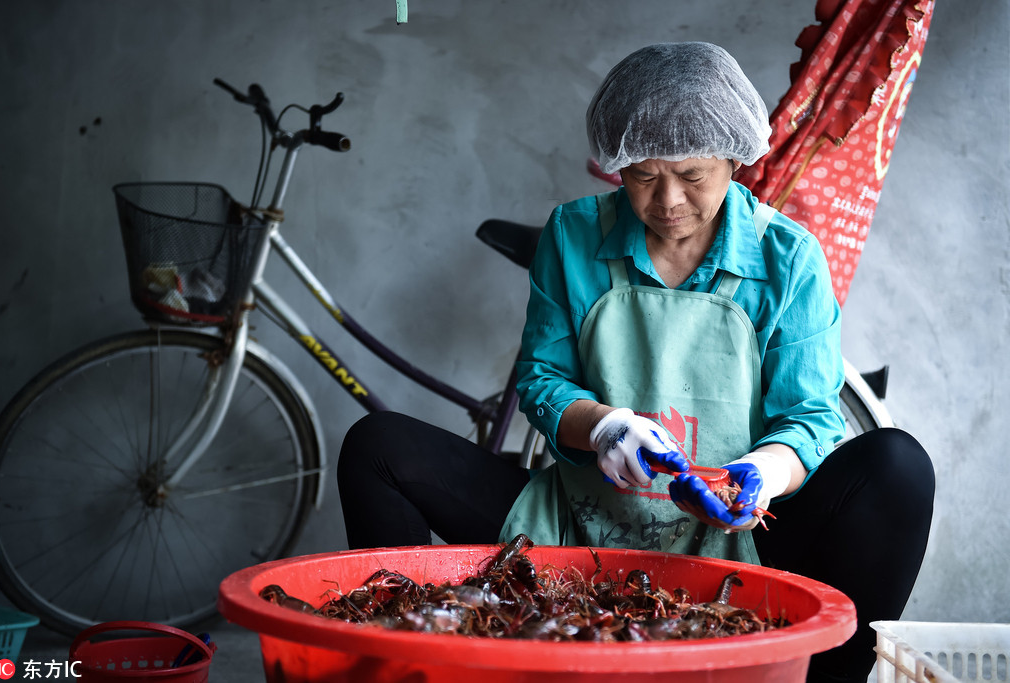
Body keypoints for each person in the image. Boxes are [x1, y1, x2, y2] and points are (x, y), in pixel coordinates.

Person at [337, 42, 934, 683]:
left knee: (897, 467)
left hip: (740, 543)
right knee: (377, 446)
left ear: (735, 158)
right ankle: (401, 666)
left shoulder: (788, 258)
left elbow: (812, 418)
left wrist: (759, 474)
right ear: (616, 169)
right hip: (575, 526)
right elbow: (542, 377)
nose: (668, 199)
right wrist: (602, 427)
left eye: (692, 175)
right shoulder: (572, 235)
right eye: (644, 177)